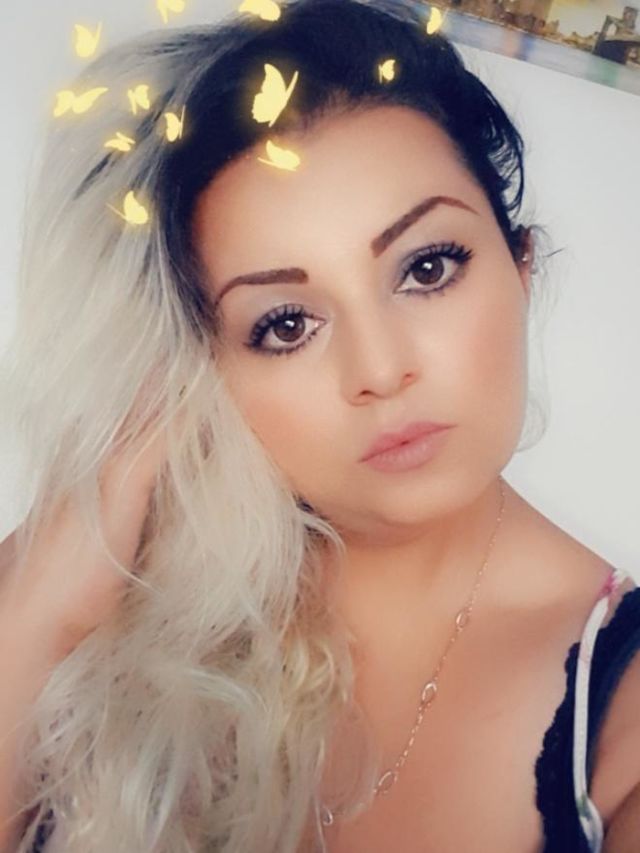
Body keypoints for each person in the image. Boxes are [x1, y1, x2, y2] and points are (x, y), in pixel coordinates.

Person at [0, 0, 639, 851]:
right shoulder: (88, 598)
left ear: (521, 268)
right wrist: (46, 610)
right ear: (202, 369)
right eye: (287, 324)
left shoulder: (620, 722)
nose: (380, 369)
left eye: (427, 267)